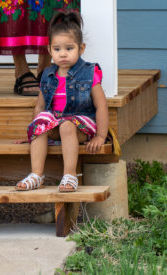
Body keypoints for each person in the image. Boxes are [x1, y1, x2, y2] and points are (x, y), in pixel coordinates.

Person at [15, 10, 109, 193]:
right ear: (49, 50)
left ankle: (70, 175)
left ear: (81, 49)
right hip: (56, 123)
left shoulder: (89, 73)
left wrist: (100, 136)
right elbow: (40, 107)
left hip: (81, 123)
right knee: (41, 123)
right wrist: (34, 131)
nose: (63, 54)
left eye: (69, 48)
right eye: (57, 49)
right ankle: (36, 174)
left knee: (67, 125)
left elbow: (101, 105)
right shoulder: (48, 75)